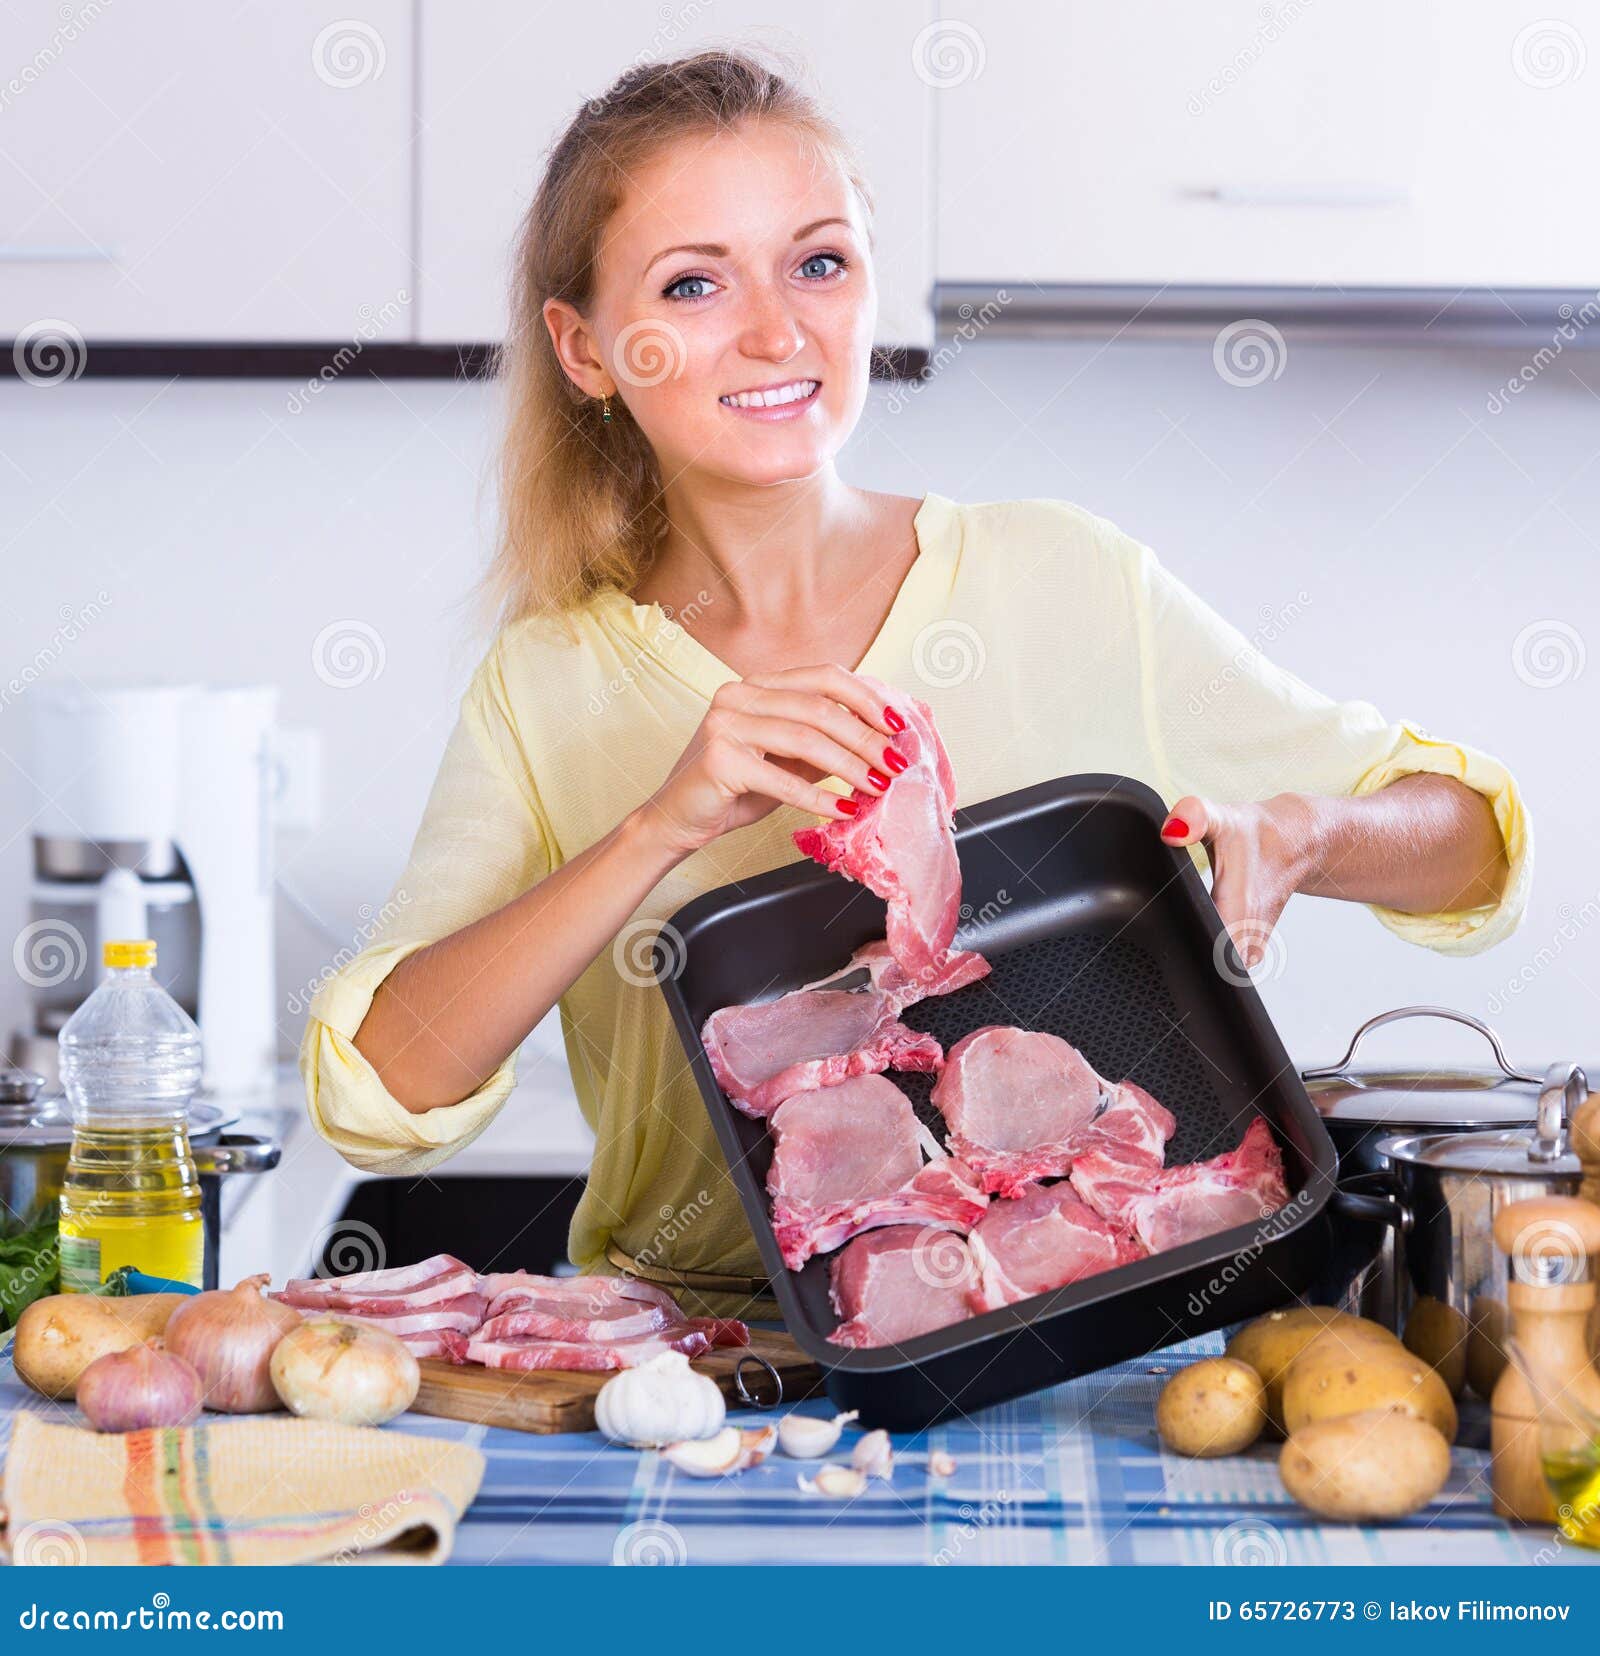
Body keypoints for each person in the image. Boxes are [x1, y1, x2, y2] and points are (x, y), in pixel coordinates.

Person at [299, 47, 1528, 1318]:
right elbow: (382, 1092)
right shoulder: (547, 680)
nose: (779, 330)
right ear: (588, 349)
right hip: (700, 1361)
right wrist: (659, 828)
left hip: (1083, 1327)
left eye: (818, 262)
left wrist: (1306, 832)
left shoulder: (1061, 575)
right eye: (693, 283)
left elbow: (1471, 843)